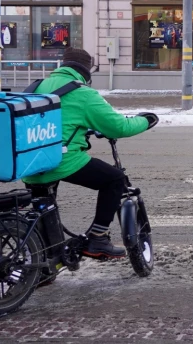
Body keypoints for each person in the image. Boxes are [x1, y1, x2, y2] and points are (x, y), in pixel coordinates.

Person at [23, 48, 156, 259]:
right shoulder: (82, 93)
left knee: (44, 212)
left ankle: (45, 267)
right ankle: (98, 238)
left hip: (30, 162)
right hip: (61, 161)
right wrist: (147, 120)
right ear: (87, 70)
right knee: (114, 180)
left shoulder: (36, 87)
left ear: (63, 65)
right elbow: (117, 127)